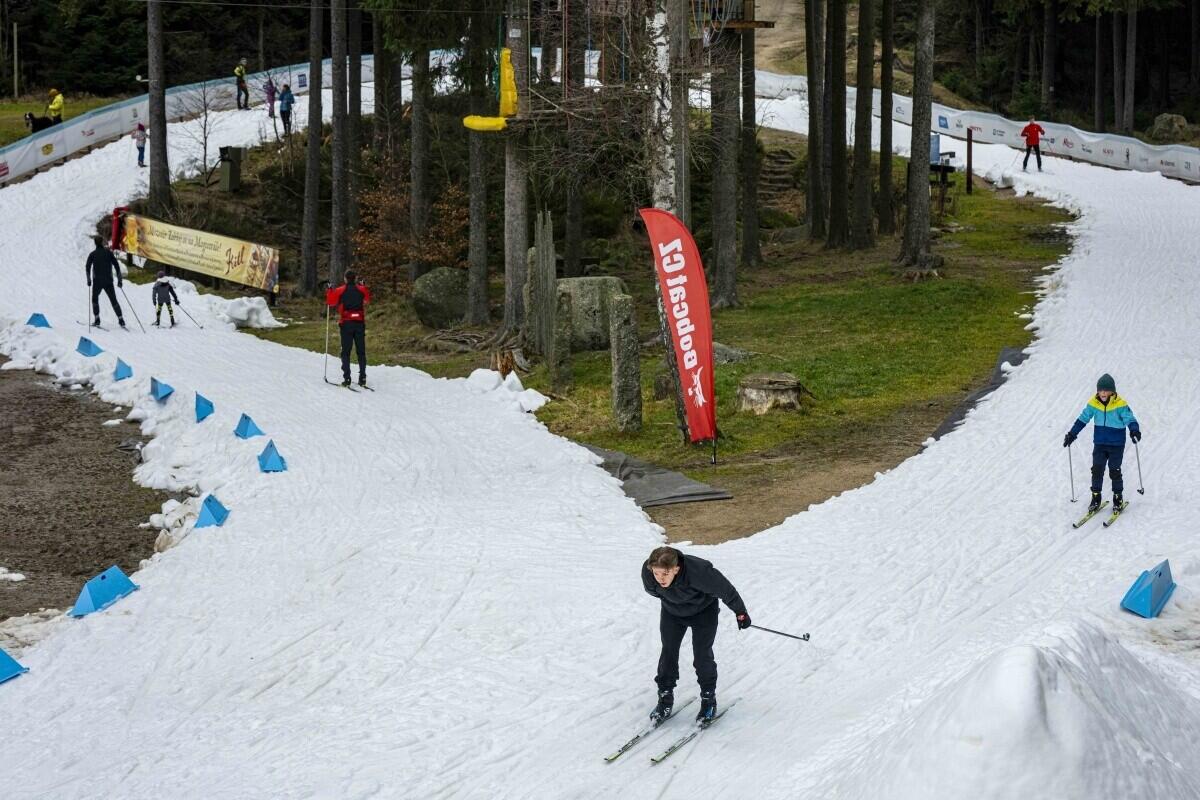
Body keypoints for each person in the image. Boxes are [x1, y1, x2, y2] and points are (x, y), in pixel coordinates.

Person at [641, 546, 750, 725]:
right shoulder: (648, 574)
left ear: (676, 569)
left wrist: (741, 612)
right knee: (668, 652)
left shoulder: (699, 573)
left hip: (703, 612)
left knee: (702, 654)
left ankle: (708, 699)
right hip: (672, 613)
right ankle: (665, 698)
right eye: (657, 573)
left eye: (665, 574)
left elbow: (726, 590)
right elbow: (654, 592)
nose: (660, 578)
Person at [1064, 373, 1141, 513]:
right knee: (1097, 470)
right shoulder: (1094, 403)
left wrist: (1134, 430)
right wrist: (1072, 434)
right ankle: (1096, 497)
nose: (1103, 393)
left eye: (1106, 390)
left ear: (1113, 391)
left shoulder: (1120, 404)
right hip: (1100, 443)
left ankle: (1118, 498)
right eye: (1100, 390)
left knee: (1114, 471)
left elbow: (1130, 418)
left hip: (1117, 444)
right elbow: (1083, 418)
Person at [325, 270, 371, 387]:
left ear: (345, 278)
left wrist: (330, 290)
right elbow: (367, 300)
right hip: (359, 323)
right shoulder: (361, 289)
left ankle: (347, 378)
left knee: (346, 352)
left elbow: (331, 302)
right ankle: (362, 378)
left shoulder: (340, 290)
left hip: (346, 324)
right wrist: (363, 286)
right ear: (355, 278)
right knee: (361, 351)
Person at [85, 237, 125, 329]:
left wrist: (88, 280)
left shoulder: (92, 254)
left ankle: (97, 319)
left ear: (95, 243)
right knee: (113, 300)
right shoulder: (108, 253)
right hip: (108, 281)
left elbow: (87, 267)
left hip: (97, 282)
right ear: (102, 242)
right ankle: (121, 319)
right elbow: (116, 265)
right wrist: (119, 280)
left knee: (95, 299)